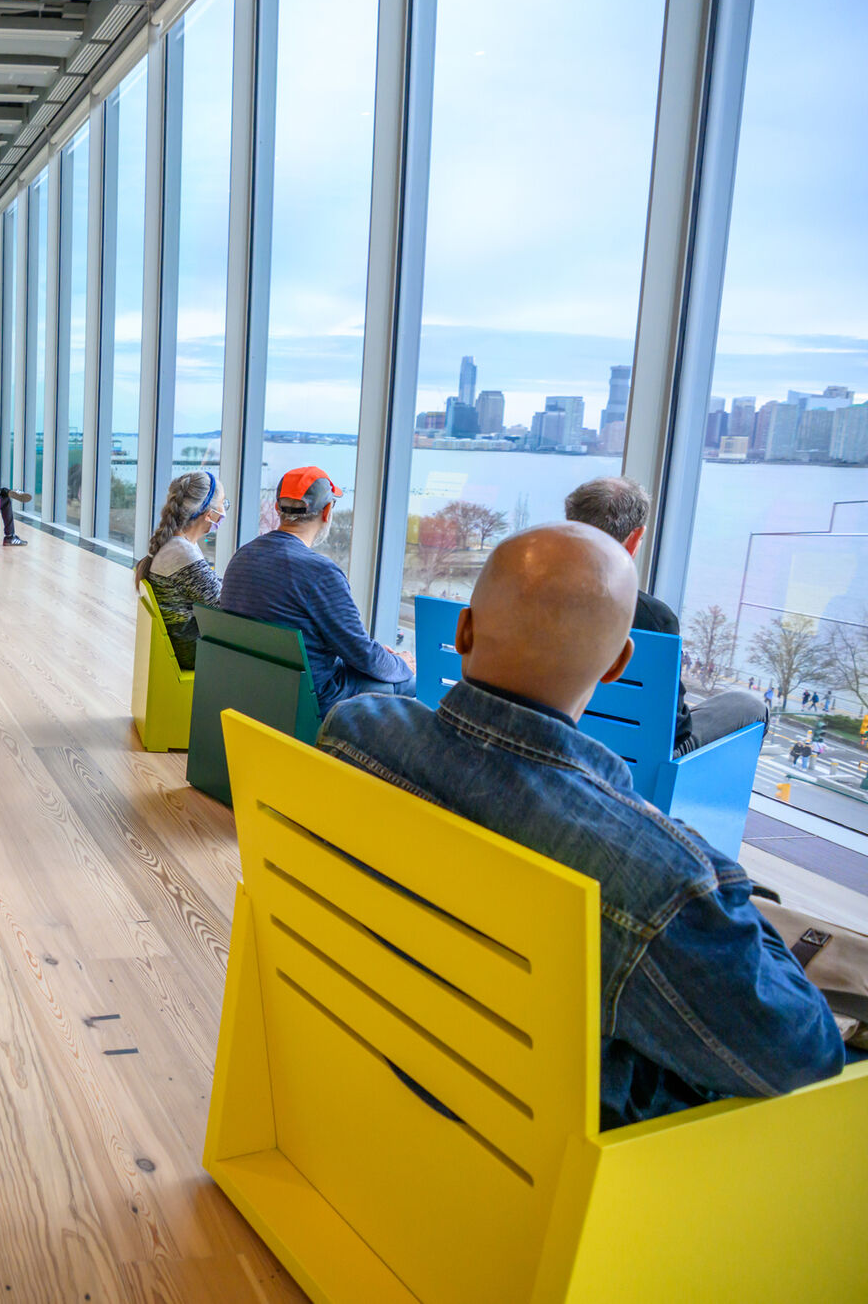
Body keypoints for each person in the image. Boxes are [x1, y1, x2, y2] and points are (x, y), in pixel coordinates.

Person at [319, 523, 843, 1129]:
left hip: (368, 1055)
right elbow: (800, 1053)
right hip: (523, 1137)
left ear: (464, 631)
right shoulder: (658, 877)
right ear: (620, 663)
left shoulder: (354, 732)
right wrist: (720, 883)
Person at [564, 477, 768, 754]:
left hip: (552, 745)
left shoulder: (523, 593)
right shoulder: (651, 618)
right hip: (629, 761)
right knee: (750, 706)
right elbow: (676, 732)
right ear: (635, 538)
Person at [222, 467, 414, 712]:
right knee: (407, 681)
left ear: (278, 509)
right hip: (309, 700)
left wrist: (377, 656)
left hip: (251, 689)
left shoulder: (241, 557)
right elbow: (362, 654)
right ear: (326, 512)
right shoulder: (320, 573)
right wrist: (401, 664)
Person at [135, 470, 226, 668]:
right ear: (208, 514)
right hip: (190, 649)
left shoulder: (176, 544)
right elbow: (222, 605)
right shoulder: (182, 553)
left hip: (183, 642)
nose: (224, 512)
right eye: (223, 504)